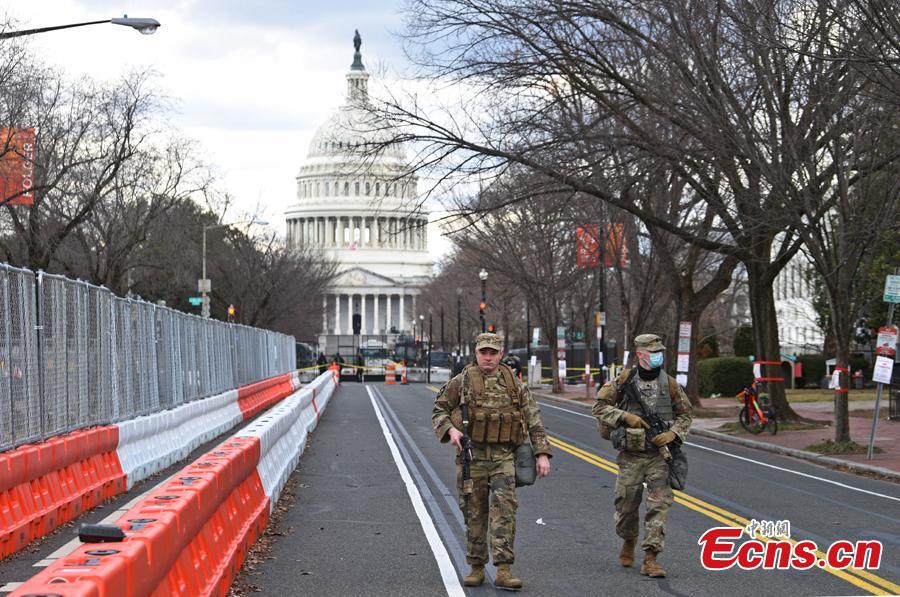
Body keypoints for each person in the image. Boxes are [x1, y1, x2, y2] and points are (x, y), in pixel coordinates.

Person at [432, 332, 552, 590]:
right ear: (476, 353)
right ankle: (476, 567)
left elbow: (533, 418)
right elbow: (439, 409)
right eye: (483, 352)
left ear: (500, 354)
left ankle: (504, 569)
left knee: (504, 513)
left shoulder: (513, 383)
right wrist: (450, 431)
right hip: (472, 458)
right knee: (474, 513)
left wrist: (542, 453)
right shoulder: (461, 381)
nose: (488, 358)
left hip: (503, 458)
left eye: (493, 353)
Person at [592, 333, 692, 578]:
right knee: (626, 507)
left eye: (660, 352)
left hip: (659, 456)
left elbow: (685, 415)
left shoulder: (670, 384)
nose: (658, 356)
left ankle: (650, 557)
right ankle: (629, 540)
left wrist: (673, 435)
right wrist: (624, 416)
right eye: (652, 352)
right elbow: (599, 407)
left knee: (658, 506)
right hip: (631, 456)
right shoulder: (623, 380)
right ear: (640, 354)